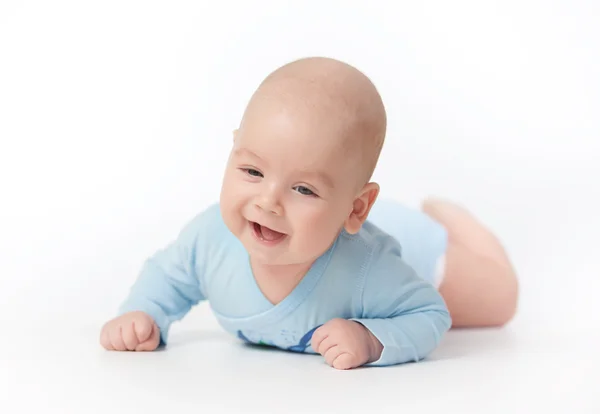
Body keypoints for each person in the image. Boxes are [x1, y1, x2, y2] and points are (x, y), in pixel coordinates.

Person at [100, 57, 518, 369]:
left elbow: (430, 314)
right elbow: (167, 276)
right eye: (252, 170)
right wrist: (142, 313)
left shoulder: (370, 272)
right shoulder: (210, 239)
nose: (267, 201)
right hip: (354, 221)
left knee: (498, 300)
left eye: (303, 189)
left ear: (355, 208)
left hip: (418, 248)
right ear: (233, 151)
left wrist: (372, 339)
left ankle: (454, 219)